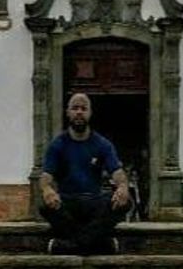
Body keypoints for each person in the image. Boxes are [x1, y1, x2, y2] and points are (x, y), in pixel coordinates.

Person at [39, 92, 131, 255]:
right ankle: (102, 246)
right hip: (67, 202)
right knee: (44, 206)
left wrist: (123, 187)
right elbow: (45, 178)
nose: (79, 112)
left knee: (125, 202)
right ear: (68, 112)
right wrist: (47, 190)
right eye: (75, 108)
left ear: (90, 113)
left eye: (83, 108)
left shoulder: (102, 144)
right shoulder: (57, 145)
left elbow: (117, 173)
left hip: (94, 201)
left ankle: (67, 246)